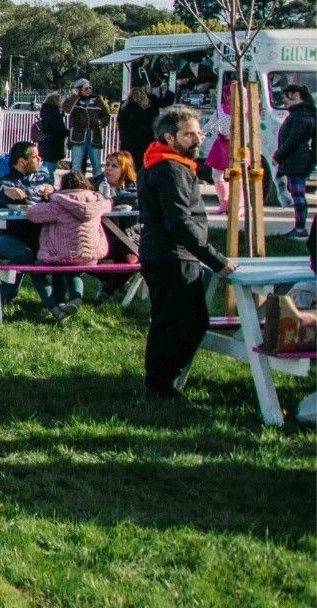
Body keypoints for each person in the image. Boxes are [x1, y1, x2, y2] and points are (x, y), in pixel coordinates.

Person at [139, 106, 236, 401]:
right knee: (175, 322)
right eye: (188, 134)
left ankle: (163, 380)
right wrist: (215, 259)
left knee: (189, 321)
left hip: (171, 254)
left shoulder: (170, 164)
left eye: (197, 132)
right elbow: (179, 222)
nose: (197, 139)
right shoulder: (169, 169)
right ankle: (160, 385)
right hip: (173, 256)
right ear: (170, 137)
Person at [0, 141, 54, 303]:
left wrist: (53, 192)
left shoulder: (42, 175)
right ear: (22, 162)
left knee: (62, 253)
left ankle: (62, 299)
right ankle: (53, 304)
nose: (40, 159)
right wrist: (3, 192)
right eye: (35, 156)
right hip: (2, 235)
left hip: (37, 234)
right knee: (26, 255)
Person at [26, 171, 111, 322]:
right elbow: (109, 204)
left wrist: (45, 200)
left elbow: (33, 214)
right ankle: (75, 298)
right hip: (89, 257)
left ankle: (55, 308)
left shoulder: (58, 203)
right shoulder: (97, 202)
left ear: (63, 186)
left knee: (36, 272)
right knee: (73, 271)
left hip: (60, 255)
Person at [91, 151, 141, 300]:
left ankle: (109, 288)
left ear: (124, 169)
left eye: (114, 166)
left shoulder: (134, 189)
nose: (108, 169)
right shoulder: (93, 184)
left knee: (134, 260)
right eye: (107, 164)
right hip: (100, 235)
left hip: (127, 237)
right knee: (84, 258)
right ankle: (114, 282)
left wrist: (115, 200)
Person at [273, 84, 316, 238]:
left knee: (298, 195)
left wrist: (278, 156)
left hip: (297, 160)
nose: (283, 100)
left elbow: (293, 140)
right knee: (296, 193)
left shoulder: (301, 116)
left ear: (296, 95)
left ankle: (300, 228)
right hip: (298, 159)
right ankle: (299, 227)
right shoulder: (302, 113)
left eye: (286, 96)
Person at [117, 85, 175, 172]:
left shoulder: (125, 107)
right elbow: (166, 102)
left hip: (128, 143)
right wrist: (168, 91)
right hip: (146, 142)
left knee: (128, 166)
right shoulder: (150, 104)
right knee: (144, 167)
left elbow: (121, 124)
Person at [62, 78, 111, 176]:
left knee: (97, 166)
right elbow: (67, 109)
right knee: (76, 166)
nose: (89, 90)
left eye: (90, 88)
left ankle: (97, 187)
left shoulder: (97, 100)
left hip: (94, 137)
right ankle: (76, 187)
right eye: (86, 88)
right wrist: (74, 96)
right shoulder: (74, 101)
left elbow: (106, 116)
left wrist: (100, 122)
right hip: (78, 138)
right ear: (79, 89)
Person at [205, 84, 235, 216]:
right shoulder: (221, 109)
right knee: (217, 175)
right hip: (221, 144)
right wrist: (199, 134)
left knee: (237, 175)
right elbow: (209, 125)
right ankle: (224, 203)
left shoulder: (244, 110)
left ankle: (237, 205)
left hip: (236, 145)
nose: (228, 97)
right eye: (227, 94)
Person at [37, 93, 67, 180]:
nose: (62, 102)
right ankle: (47, 189)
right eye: (60, 100)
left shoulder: (46, 112)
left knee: (46, 169)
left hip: (44, 145)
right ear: (56, 101)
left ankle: (44, 186)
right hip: (53, 146)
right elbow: (59, 130)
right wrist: (69, 132)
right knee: (50, 170)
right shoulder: (55, 114)